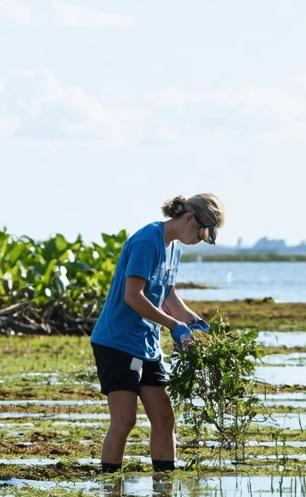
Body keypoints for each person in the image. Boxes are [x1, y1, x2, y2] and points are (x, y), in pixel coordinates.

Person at [90, 194, 225, 475]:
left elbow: (168, 297)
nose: (203, 239)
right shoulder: (147, 241)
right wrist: (173, 326)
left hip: (146, 345)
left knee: (164, 417)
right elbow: (133, 297)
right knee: (125, 420)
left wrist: (193, 321)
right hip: (118, 343)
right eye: (204, 232)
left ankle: (164, 487)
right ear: (189, 217)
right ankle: (109, 486)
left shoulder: (174, 247)